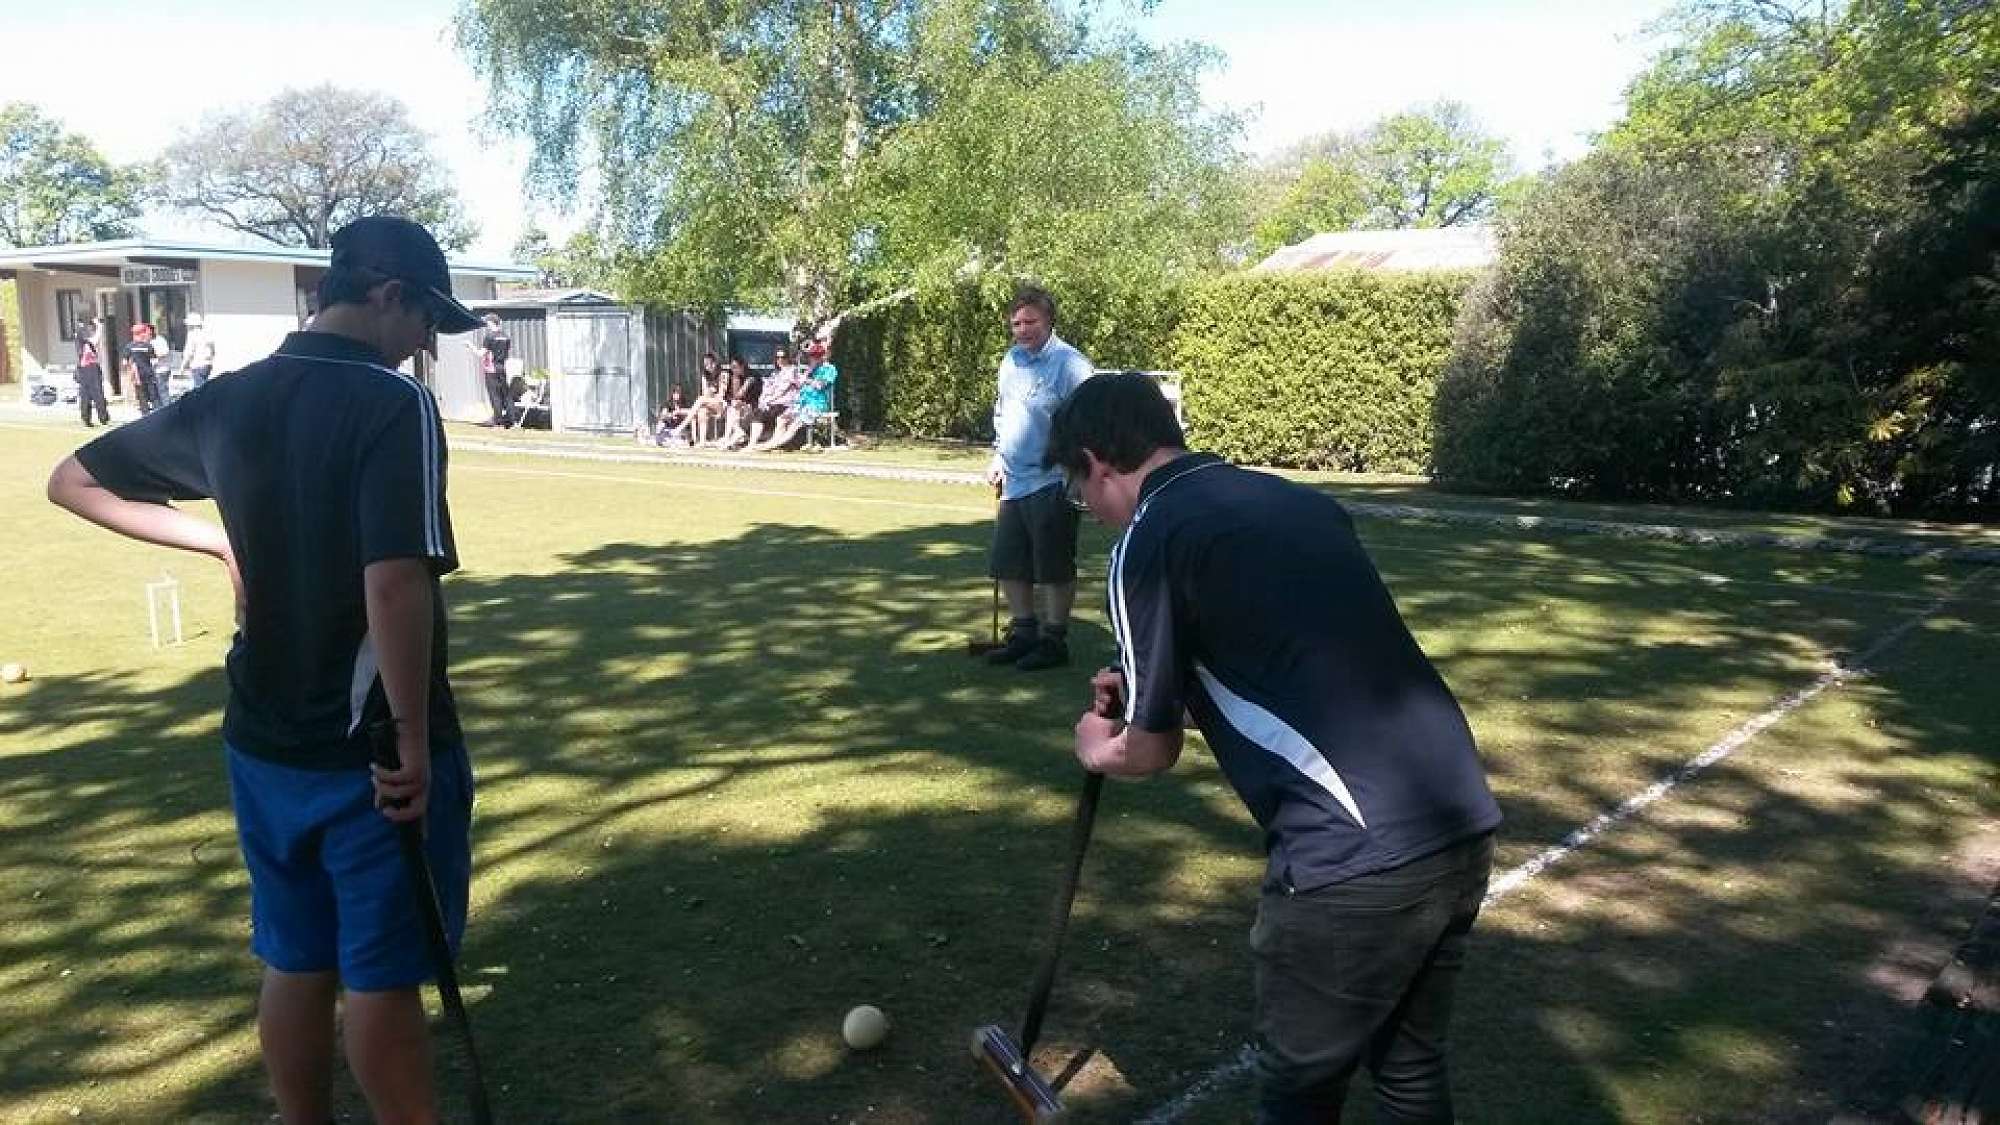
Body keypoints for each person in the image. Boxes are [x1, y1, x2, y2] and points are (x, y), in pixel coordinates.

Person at [46, 215, 486, 1125]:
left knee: (296, 957)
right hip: (369, 750)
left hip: (261, 740)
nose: (424, 347)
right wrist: (411, 739)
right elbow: (395, 579)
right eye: (425, 323)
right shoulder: (392, 404)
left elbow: (75, 480)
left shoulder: (232, 396)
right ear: (387, 295)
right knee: (383, 974)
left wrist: (215, 541)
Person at [1049, 373, 1502, 1125]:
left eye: (1078, 490)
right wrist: (1156, 693)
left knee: (1299, 1093)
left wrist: (1097, 746)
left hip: (1351, 855)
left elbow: (1150, 752)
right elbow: (1285, 665)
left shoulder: (1148, 541)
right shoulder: (1290, 499)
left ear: (1096, 462)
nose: (1088, 511)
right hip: (1458, 814)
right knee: (1409, 1064)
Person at [981, 286, 1093, 672]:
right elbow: (1003, 413)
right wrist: (998, 455)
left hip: (1053, 478)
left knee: (1053, 563)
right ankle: (1024, 633)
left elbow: (1088, 421)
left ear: (1048, 322)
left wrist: (1080, 472)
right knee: (1009, 561)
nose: (1022, 330)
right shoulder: (1010, 360)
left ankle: (1053, 640)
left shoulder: (1071, 364)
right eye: (1016, 323)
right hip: (1014, 478)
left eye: (1030, 322)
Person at [747, 340, 836, 452]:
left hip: (816, 404)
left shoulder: (829, 369)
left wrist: (807, 379)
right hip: (802, 402)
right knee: (782, 419)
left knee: (795, 424)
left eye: (815, 356)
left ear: (822, 357)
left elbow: (820, 385)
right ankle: (773, 443)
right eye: (811, 356)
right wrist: (808, 372)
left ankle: (769, 446)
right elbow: (800, 383)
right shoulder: (811, 369)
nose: (812, 359)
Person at [741, 345, 800, 448]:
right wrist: (763, 399)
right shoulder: (775, 373)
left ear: (788, 358)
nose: (780, 360)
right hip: (773, 403)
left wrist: (768, 401)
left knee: (760, 413)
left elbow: (782, 390)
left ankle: (752, 444)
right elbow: (767, 388)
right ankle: (751, 442)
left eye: (783, 357)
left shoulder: (792, 371)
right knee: (756, 412)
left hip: (785, 404)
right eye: (778, 357)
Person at [472, 313, 513, 427]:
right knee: (505, 394)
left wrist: (470, 346)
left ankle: (498, 421)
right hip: (502, 367)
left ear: (491, 322)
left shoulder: (489, 337)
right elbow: (506, 353)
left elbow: (480, 353)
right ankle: (511, 420)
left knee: (494, 394)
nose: (486, 324)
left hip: (491, 368)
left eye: (487, 322)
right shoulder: (506, 336)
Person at [713, 355, 760, 450]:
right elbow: (731, 397)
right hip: (742, 407)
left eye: (735, 367)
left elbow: (740, 394)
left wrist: (735, 379)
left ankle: (731, 436)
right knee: (731, 407)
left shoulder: (751, 376)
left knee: (734, 405)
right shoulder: (737, 376)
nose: (732, 370)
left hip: (755, 406)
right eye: (731, 367)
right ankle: (731, 436)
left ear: (742, 366)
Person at [684, 351, 727, 444]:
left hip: (723, 405)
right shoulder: (705, 375)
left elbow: (722, 395)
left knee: (700, 400)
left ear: (715, 363)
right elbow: (705, 393)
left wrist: (711, 393)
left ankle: (681, 426)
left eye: (709, 364)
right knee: (702, 411)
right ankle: (702, 441)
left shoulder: (723, 374)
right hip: (711, 403)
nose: (707, 367)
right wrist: (710, 393)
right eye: (705, 364)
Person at [74, 317, 109, 427]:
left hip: (85, 369)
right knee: (96, 394)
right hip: (90, 368)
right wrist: (99, 326)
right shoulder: (83, 338)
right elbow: (95, 339)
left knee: (86, 395)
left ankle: (87, 418)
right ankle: (102, 418)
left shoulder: (81, 338)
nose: (90, 330)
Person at [124, 323, 161, 415]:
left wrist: (131, 370)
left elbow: (125, 362)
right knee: (154, 396)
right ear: (142, 333)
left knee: (142, 397)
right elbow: (155, 361)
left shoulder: (129, 347)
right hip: (149, 373)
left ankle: (145, 415)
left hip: (137, 375)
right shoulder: (148, 346)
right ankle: (158, 414)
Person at [179, 314, 217, 389]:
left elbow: (189, 353)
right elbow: (213, 350)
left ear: (191, 325)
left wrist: (182, 367)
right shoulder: (207, 333)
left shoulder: (192, 335)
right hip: (207, 365)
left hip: (197, 365)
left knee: (199, 388)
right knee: (205, 387)